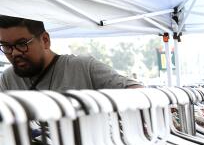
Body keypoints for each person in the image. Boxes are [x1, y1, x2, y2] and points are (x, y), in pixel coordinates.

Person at [0, 16, 142, 91]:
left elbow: (138, 92)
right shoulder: (7, 80)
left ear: (45, 40)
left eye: (22, 44)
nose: (15, 52)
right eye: (6, 46)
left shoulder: (84, 68)